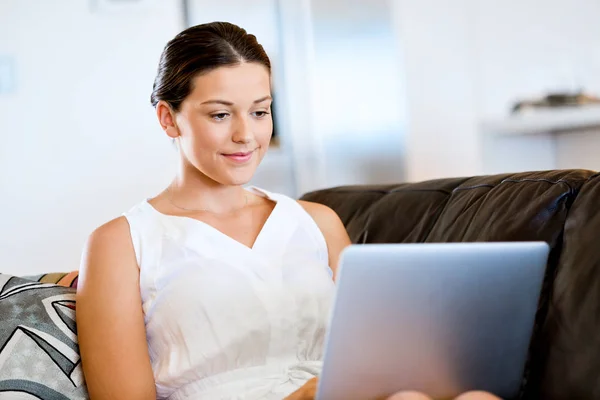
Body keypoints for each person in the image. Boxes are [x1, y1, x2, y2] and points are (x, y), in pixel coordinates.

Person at [75, 22, 500, 400]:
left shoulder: (317, 222)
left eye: (260, 112)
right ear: (169, 119)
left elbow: (379, 350)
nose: (247, 135)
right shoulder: (120, 244)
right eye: (221, 114)